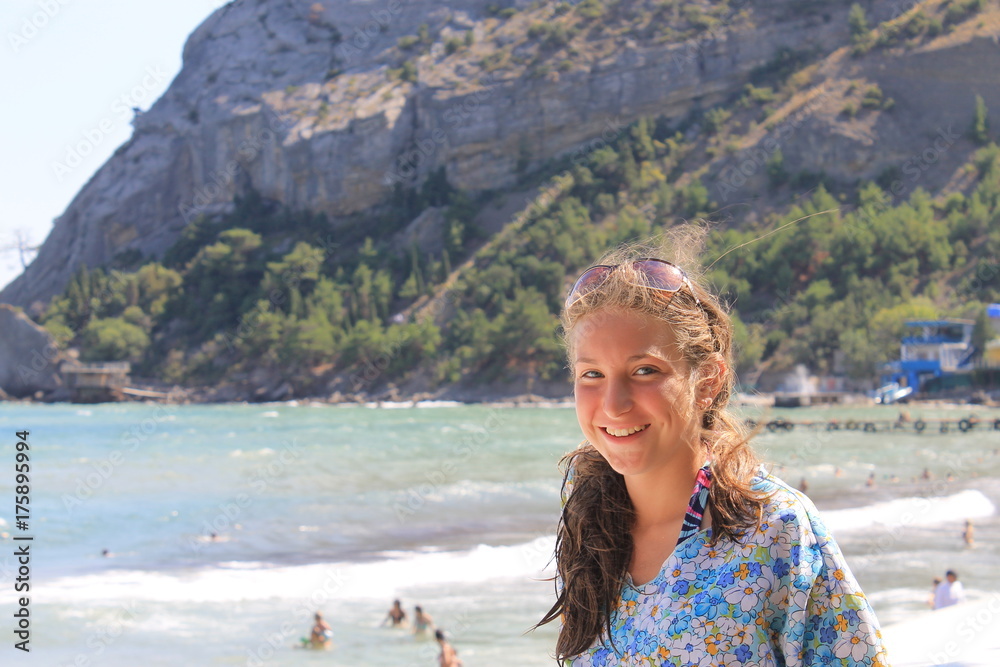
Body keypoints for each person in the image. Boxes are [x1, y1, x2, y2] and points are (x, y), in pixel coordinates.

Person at [535, 240, 888, 665]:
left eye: (644, 370)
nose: (613, 405)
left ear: (707, 381)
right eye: (592, 374)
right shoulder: (589, 524)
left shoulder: (771, 529)